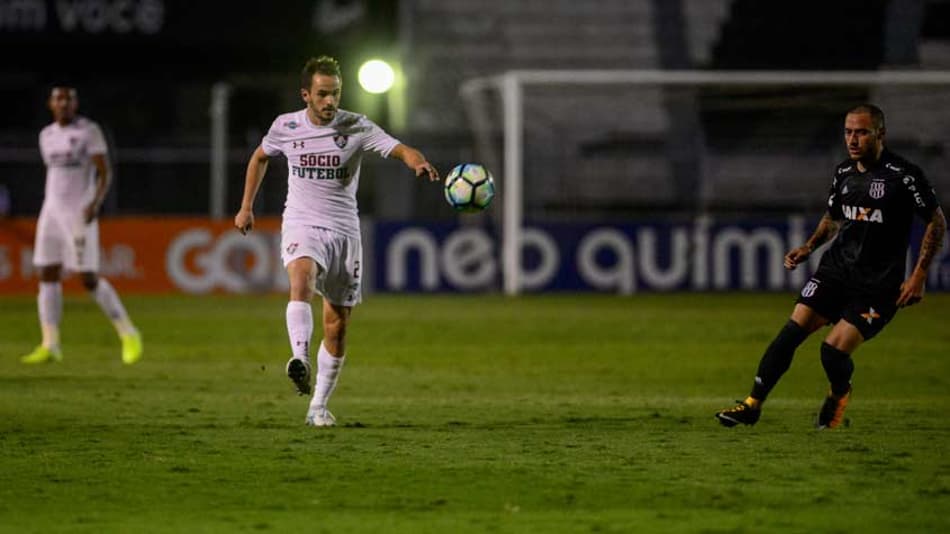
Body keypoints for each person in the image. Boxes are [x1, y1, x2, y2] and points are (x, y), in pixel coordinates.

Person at [234, 56, 439, 427]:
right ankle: (300, 358)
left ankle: (318, 406)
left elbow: (401, 148)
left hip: (344, 231)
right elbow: (260, 157)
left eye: (335, 94)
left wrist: (417, 162)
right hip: (301, 221)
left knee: (337, 325)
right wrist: (246, 206)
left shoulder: (356, 126)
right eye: (323, 94)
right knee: (301, 278)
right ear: (306, 95)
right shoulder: (286, 126)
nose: (330, 102)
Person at [716, 104, 946, 429]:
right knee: (791, 332)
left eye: (861, 132)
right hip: (836, 271)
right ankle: (751, 405)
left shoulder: (904, 176)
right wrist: (808, 247)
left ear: (880, 134)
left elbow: (937, 223)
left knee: (832, 352)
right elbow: (833, 219)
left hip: (877, 286)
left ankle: (839, 394)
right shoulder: (843, 173)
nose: (853, 139)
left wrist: (919, 275)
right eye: (849, 132)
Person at [21, 86, 143, 365]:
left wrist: (95, 202)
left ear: (75, 103)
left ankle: (129, 333)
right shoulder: (46, 136)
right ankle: (50, 344)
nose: (63, 103)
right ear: (50, 104)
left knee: (87, 278)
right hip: (50, 212)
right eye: (58, 99)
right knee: (46, 273)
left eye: (68, 99)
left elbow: (104, 171)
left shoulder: (89, 131)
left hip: (79, 213)